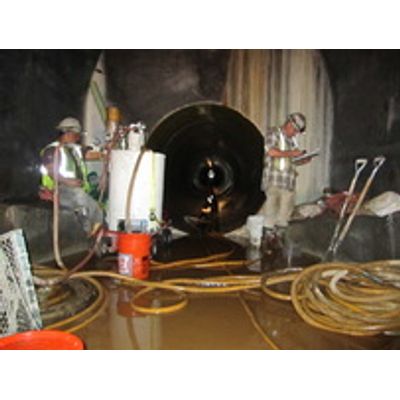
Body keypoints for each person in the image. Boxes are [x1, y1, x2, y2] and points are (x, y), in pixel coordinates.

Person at [40, 117, 103, 236]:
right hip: (58, 190)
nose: (78, 138)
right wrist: (68, 182)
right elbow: (51, 171)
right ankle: (84, 233)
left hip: (74, 191)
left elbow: (90, 154)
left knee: (96, 211)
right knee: (81, 201)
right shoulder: (53, 150)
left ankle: (91, 234)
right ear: (68, 133)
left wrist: (105, 154)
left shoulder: (74, 149)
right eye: (76, 135)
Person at [261, 112, 313, 240]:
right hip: (273, 182)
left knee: (283, 218)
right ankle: (267, 242)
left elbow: (292, 161)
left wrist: (303, 160)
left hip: (288, 184)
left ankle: (279, 242)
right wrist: (292, 153)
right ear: (289, 124)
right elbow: (271, 152)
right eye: (295, 131)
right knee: (269, 216)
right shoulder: (273, 133)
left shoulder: (292, 141)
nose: (295, 134)